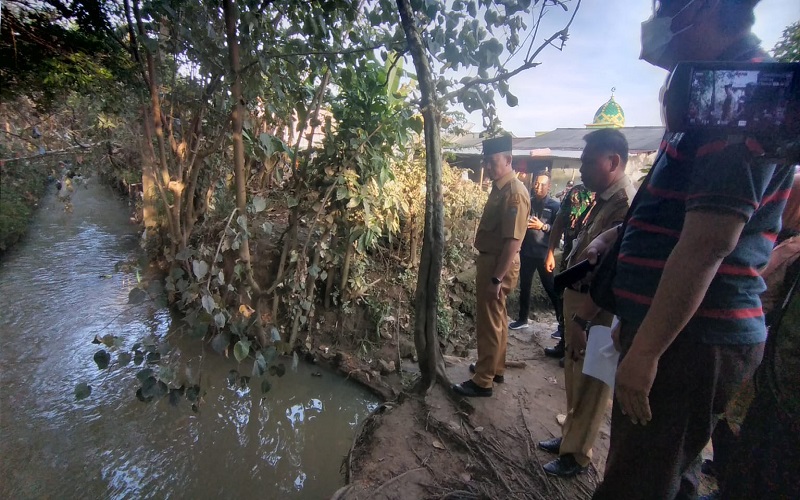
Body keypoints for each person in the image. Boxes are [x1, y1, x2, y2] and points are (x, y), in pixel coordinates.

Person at [587, 2, 795, 498]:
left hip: (692, 339)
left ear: (701, 8)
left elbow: (709, 241)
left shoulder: (740, 92)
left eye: (664, 5)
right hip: (682, 334)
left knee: (636, 484)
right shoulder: (710, 92)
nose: (656, 20)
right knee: (660, 473)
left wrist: (648, 349)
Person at [537, 128, 637, 477]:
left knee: (592, 380)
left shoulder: (625, 202)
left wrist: (584, 316)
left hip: (597, 305)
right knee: (575, 373)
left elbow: (612, 271)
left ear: (613, 161)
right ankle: (571, 435)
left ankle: (577, 454)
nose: (581, 169)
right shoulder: (604, 198)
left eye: (588, 162)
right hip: (580, 296)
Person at [453, 135, 530, 398]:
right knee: (497, 318)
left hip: (499, 263)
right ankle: (495, 368)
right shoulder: (501, 188)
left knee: (489, 322)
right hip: (493, 260)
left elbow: (513, 241)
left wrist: (497, 278)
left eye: (493, 161)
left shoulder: (514, 193)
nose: (487, 166)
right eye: (486, 161)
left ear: (508, 160)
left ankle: (483, 380)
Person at [543, 181, 595, 360]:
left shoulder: (614, 200)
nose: (583, 169)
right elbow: (559, 222)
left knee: (586, 305)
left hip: (591, 264)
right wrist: (550, 252)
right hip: (570, 258)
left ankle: (578, 350)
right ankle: (564, 344)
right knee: (564, 298)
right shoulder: (576, 192)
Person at [509, 172, 561, 331]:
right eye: (536, 184)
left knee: (550, 287)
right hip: (526, 252)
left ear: (549, 186)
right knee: (525, 287)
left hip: (544, 254)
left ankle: (562, 325)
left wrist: (543, 226)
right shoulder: (528, 202)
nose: (538, 187)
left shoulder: (554, 206)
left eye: (542, 184)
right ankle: (522, 319)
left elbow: (558, 231)